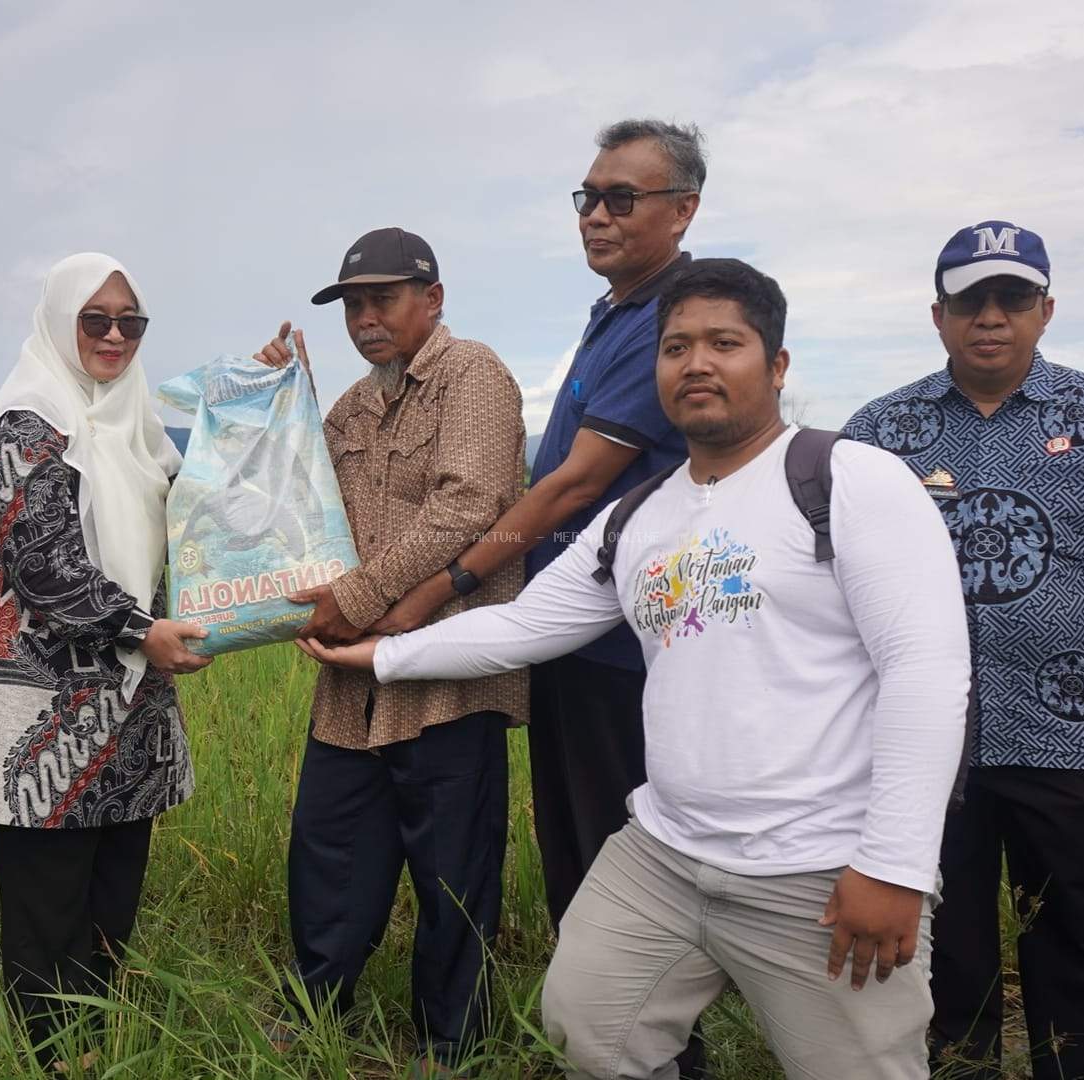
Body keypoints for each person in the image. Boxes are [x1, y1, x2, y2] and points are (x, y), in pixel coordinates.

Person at [302, 258, 971, 1080]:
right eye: (675, 346)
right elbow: (522, 628)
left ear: (777, 364)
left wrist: (893, 865)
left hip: (817, 868)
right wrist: (383, 655)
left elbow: (926, 672)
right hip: (663, 855)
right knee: (587, 1028)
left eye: (724, 343)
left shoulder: (848, 481)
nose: (696, 363)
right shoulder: (640, 514)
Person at [375, 117, 701, 923]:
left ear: (683, 209)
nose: (596, 214)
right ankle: (594, 1024)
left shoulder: (667, 316)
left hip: (622, 639)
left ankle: (645, 1043)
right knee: (569, 829)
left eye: (621, 198)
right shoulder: (615, 313)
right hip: (567, 626)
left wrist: (445, 583)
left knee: (616, 843)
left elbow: (564, 488)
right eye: (587, 197)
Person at [844, 221, 1084, 1080]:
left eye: (1011, 298)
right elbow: (841, 597)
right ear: (936, 315)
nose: (990, 316)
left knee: (1078, 931)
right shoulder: (879, 432)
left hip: (1074, 732)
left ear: (1045, 310)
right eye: (970, 299)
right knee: (940, 943)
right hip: (920, 743)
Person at [253, 227, 527, 1076]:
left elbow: (467, 503)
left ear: (431, 298)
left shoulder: (470, 374)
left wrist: (357, 602)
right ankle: (314, 1010)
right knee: (330, 848)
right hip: (350, 682)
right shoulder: (350, 407)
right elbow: (298, 497)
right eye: (352, 306)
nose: (366, 319)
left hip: (443, 672)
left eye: (383, 300)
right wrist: (277, 402)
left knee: (452, 871)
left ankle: (452, 1047)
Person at [0, 253, 211, 1071]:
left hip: (128, 698)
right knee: (47, 900)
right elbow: (43, 562)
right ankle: (50, 1055)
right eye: (95, 319)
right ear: (61, 321)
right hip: (40, 703)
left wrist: (262, 389)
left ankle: (99, 1043)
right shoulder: (27, 419)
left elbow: (213, 507)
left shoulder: (138, 429)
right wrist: (145, 629)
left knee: (111, 892)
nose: (114, 336)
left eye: (130, 321)